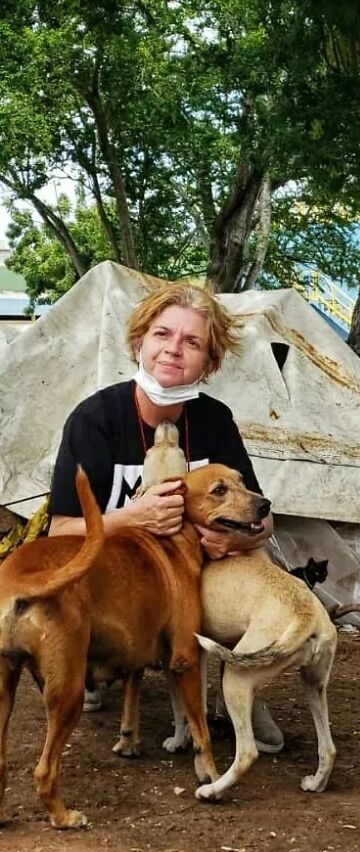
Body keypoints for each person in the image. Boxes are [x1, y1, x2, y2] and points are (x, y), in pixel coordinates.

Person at [47, 281, 284, 753]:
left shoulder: (215, 421)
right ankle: (90, 664)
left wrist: (234, 541)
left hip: (192, 566)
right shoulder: (95, 420)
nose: (174, 349)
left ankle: (243, 682)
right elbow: (60, 531)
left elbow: (263, 518)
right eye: (162, 334)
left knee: (258, 567)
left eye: (192, 342)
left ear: (209, 363)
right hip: (121, 569)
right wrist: (133, 517)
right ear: (139, 342)